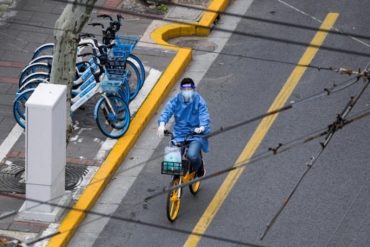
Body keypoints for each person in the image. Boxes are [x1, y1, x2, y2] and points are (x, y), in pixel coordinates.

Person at [157, 77, 211, 177]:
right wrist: (162, 124)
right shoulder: (176, 100)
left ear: (193, 89)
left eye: (189, 89)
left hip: (195, 134)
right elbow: (167, 111)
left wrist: (202, 127)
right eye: (184, 89)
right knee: (172, 161)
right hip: (179, 134)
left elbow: (204, 114)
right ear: (181, 90)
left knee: (192, 155)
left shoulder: (199, 100)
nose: (187, 91)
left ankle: (200, 167)